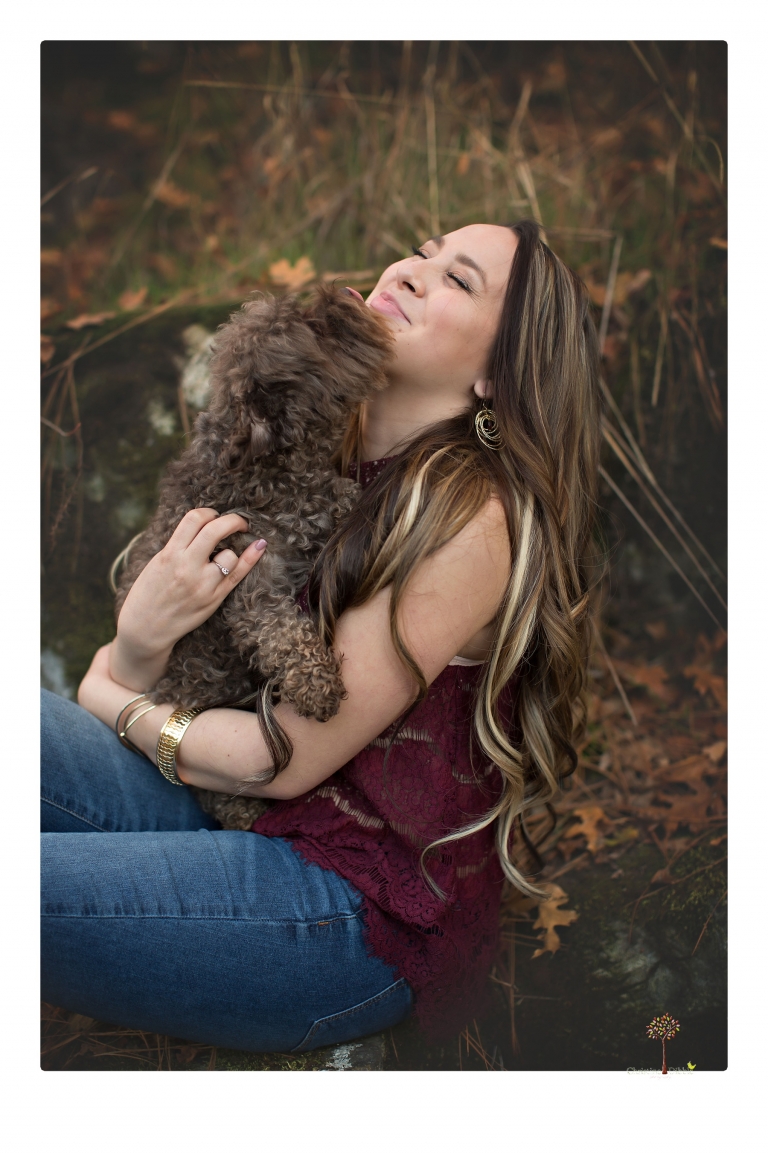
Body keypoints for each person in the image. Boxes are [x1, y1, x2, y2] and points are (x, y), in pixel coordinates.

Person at [41, 219, 601, 1053]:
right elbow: (174, 664)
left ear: (497, 373)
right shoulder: (304, 443)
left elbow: (284, 756)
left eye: (458, 280)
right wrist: (133, 649)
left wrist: (106, 696)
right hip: (223, 813)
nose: (411, 272)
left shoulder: (469, 517)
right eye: (419, 252)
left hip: (343, 910)